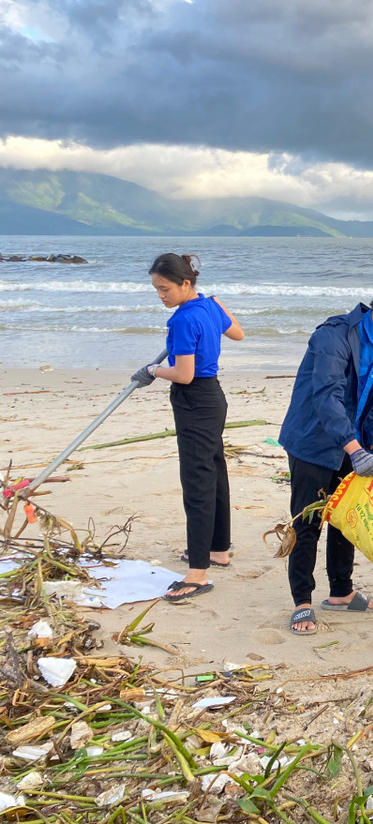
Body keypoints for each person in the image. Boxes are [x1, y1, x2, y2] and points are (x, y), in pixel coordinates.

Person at [278, 282, 373, 636]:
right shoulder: (335, 336)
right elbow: (326, 396)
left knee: (348, 518)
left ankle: (341, 591)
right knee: (307, 523)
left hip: (355, 443)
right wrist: (353, 447)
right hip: (313, 442)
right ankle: (302, 601)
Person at [131, 253, 243, 602]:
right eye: (156, 290)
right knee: (214, 470)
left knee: (197, 482)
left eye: (165, 289)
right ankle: (217, 549)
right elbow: (237, 333)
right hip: (214, 399)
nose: (160, 296)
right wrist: (218, 307)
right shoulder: (208, 306)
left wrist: (151, 370)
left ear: (186, 284)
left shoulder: (182, 321)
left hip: (195, 400)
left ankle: (198, 573)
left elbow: (183, 374)